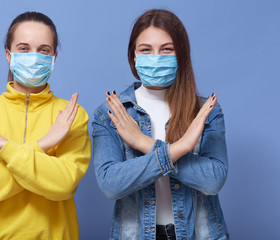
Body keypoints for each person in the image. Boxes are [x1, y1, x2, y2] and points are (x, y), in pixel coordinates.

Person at [92, 9, 229, 240]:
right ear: (134, 56)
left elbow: (213, 180)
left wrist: (142, 142)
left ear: (181, 54)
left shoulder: (205, 111)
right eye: (146, 49)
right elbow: (110, 184)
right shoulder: (110, 113)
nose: (156, 57)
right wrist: (179, 148)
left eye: (166, 49)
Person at [0, 12, 91, 240]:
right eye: (23, 48)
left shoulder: (72, 115)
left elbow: (64, 184)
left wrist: (1, 145)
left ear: (54, 57)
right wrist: (43, 145)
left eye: (43, 50)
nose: (34, 57)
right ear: (8, 54)